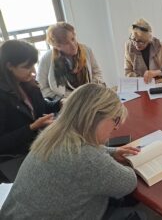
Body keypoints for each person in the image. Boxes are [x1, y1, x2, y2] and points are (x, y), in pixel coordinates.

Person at [0, 84, 143, 219]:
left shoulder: (53, 134)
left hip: (13, 214)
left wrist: (112, 152)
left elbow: (83, 153)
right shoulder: (87, 159)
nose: (116, 128)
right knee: (140, 213)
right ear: (95, 117)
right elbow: (128, 183)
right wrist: (132, 162)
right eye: (115, 120)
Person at [0, 40, 60, 183]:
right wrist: (32, 128)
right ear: (9, 66)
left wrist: (59, 104)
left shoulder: (27, 84)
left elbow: (40, 108)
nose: (33, 71)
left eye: (33, 64)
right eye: (27, 67)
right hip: (15, 160)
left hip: (38, 150)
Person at [38, 22, 104, 100]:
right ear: (57, 46)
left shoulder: (86, 50)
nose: (73, 45)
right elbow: (42, 88)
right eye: (66, 43)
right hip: (66, 102)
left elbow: (97, 72)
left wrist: (91, 89)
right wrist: (64, 99)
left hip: (90, 96)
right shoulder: (47, 59)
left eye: (73, 39)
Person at [124, 18, 162, 83]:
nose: (136, 44)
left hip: (160, 84)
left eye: (141, 41)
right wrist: (142, 79)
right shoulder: (129, 47)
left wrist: (156, 73)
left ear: (149, 39)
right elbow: (128, 72)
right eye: (134, 39)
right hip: (142, 85)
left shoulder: (160, 46)